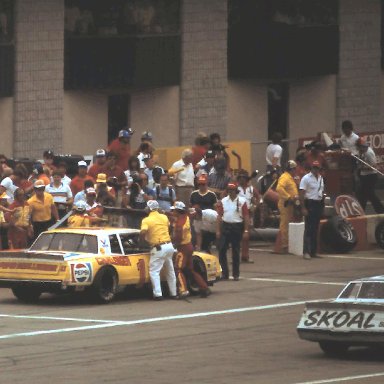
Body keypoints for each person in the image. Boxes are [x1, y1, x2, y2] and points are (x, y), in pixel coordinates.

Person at [171, 201, 211, 298]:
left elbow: (178, 239)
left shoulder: (179, 224)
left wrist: (172, 243)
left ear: (178, 211)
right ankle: (204, 288)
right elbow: (192, 211)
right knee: (190, 270)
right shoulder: (187, 217)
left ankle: (183, 291)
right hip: (189, 246)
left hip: (182, 248)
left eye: (174, 210)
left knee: (178, 269)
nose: (172, 212)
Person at [140, 200, 177, 300]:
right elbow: (170, 227)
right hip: (169, 246)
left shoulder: (146, 220)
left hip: (158, 247)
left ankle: (158, 294)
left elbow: (143, 232)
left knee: (154, 271)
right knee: (170, 271)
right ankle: (173, 293)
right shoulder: (164, 217)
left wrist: (142, 241)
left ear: (149, 208)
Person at [216, 182, 249, 281]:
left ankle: (236, 274)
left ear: (236, 191)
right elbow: (219, 216)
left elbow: (246, 216)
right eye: (229, 190)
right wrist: (218, 230)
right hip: (226, 226)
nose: (230, 192)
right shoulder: (223, 201)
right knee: (222, 250)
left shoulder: (242, 201)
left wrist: (246, 230)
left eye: (232, 190)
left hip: (237, 226)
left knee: (235, 251)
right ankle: (224, 273)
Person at [299, 161, 325, 260]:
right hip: (310, 203)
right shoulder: (306, 178)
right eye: (314, 167)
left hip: (318, 204)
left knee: (315, 228)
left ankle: (313, 251)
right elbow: (301, 193)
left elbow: (322, 192)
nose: (315, 169)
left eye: (317, 168)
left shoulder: (321, 178)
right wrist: (303, 207)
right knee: (309, 229)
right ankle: (306, 251)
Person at [276, 160, 299, 253]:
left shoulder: (290, 178)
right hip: (285, 204)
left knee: (288, 224)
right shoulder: (285, 177)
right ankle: (284, 245)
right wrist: (288, 197)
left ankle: (288, 244)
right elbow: (279, 188)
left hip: (290, 205)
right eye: (294, 169)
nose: (295, 171)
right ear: (291, 169)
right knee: (284, 225)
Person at [237, 170, 260, 262]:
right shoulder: (235, 188)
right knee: (237, 236)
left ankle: (245, 256)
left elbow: (259, 198)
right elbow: (224, 195)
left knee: (246, 236)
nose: (242, 180)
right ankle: (237, 256)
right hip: (238, 213)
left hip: (249, 214)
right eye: (240, 178)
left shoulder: (251, 189)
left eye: (243, 178)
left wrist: (255, 206)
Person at [356, 137, 384, 213]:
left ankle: (381, 210)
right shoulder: (360, 152)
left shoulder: (369, 153)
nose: (358, 149)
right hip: (363, 176)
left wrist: (362, 168)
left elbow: (373, 167)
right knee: (362, 194)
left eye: (359, 147)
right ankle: (362, 211)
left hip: (371, 176)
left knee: (369, 194)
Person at [190, 174, 217, 250]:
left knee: (207, 236)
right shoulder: (194, 194)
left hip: (208, 218)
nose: (201, 186)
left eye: (203, 184)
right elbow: (191, 206)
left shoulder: (211, 194)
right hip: (197, 217)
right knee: (197, 234)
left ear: (206, 184)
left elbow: (215, 208)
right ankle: (198, 247)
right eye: (200, 184)